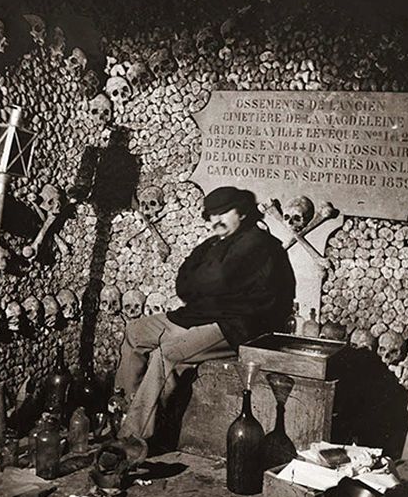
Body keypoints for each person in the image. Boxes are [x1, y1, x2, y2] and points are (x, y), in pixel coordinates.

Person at [114, 186, 295, 440]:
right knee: (136, 332)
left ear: (242, 213)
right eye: (212, 214)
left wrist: (205, 283)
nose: (216, 220)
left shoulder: (258, 243)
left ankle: (133, 439)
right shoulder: (215, 243)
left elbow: (215, 280)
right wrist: (207, 284)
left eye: (224, 213)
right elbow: (183, 284)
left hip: (236, 325)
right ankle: (124, 410)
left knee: (167, 355)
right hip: (200, 315)